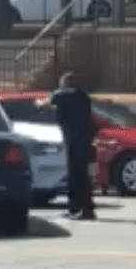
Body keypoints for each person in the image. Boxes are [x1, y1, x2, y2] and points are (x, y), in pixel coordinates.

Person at [37, 72, 97, 220]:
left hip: (71, 139)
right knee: (81, 174)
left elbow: (43, 106)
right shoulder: (83, 96)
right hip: (84, 138)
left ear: (65, 83)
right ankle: (80, 208)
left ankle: (81, 209)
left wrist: (38, 102)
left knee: (75, 175)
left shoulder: (61, 95)